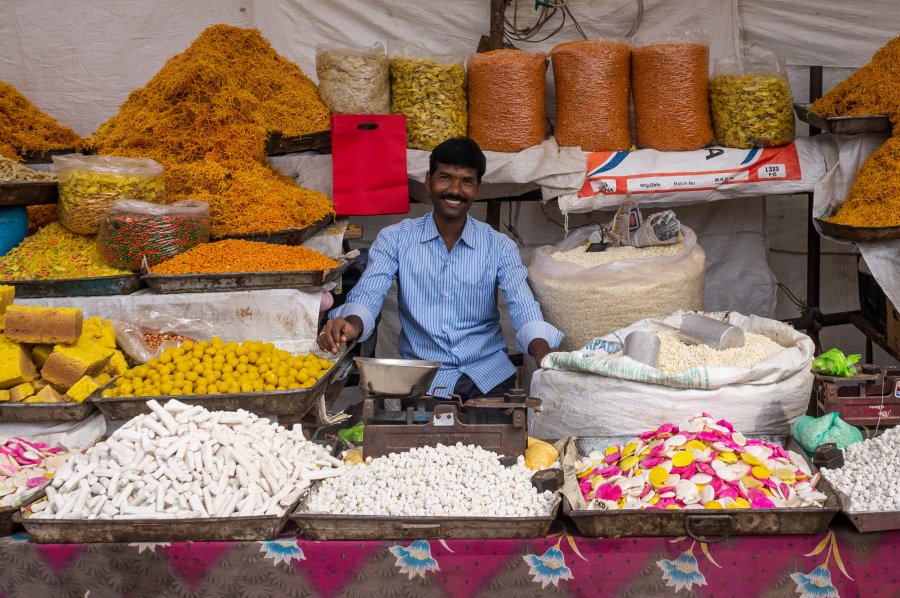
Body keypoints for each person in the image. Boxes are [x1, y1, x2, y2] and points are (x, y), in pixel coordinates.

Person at [318, 137, 563, 400]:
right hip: (423, 383)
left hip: (489, 377)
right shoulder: (396, 239)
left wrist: (543, 354)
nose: (455, 190)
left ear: (476, 188)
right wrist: (351, 325)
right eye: (445, 177)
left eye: (466, 181)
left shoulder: (499, 246)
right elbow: (369, 294)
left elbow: (523, 306)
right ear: (428, 180)